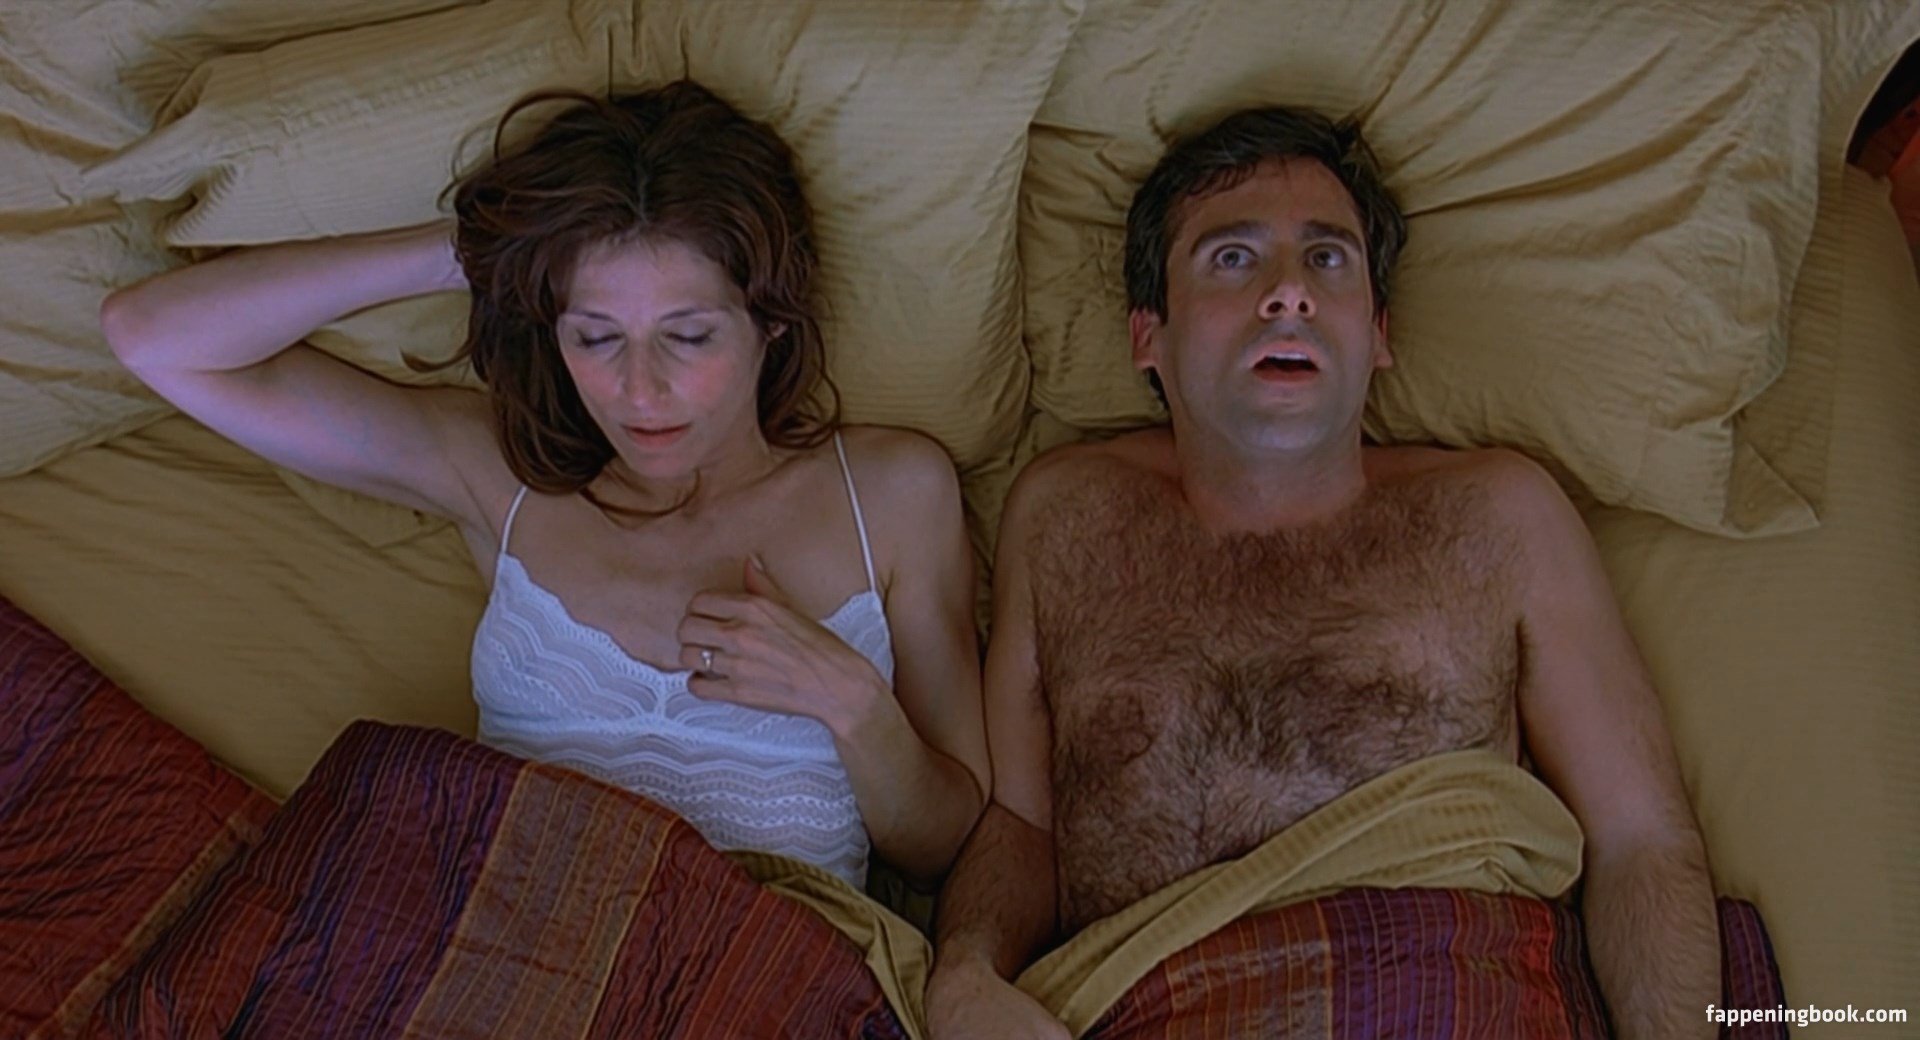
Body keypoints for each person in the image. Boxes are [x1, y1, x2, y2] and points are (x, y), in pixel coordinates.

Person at [926, 106, 1719, 1039]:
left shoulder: (1500, 517)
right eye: (1233, 258)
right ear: (1150, 336)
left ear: (1377, 333)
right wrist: (964, 968)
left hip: (1448, 998)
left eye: (1328, 258)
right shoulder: (1065, 518)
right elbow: (1022, 824)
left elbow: (1643, 839)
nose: (1289, 293)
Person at [100, 81, 989, 891]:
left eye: (688, 336)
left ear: (773, 320)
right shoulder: (506, 475)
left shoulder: (891, 495)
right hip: (501, 953)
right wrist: (478, 253)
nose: (640, 391)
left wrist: (850, 703)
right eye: (596, 337)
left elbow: (946, 844)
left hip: (753, 975)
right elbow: (156, 340)